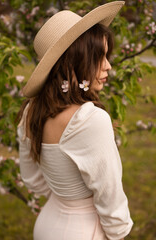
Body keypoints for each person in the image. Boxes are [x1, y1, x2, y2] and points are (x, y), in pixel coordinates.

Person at [17, 1, 133, 240]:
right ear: (73, 62)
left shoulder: (31, 112)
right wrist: (119, 234)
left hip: (47, 226)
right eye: (99, 57)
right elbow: (110, 197)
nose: (108, 66)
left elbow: (33, 181)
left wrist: (66, 195)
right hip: (84, 231)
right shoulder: (90, 120)